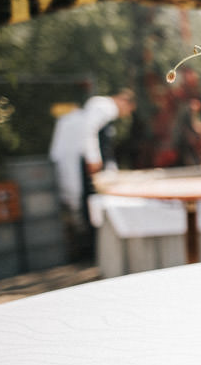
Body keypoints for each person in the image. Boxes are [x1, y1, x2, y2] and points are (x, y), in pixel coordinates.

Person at [49, 89, 137, 256]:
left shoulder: (105, 111)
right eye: (128, 109)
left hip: (90, 164)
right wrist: (93, 158)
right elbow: (89, 132)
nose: (125, 114)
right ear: (124, 101)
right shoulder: (103, 106)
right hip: (86, 164)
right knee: (86, 202)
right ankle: (89, 246)